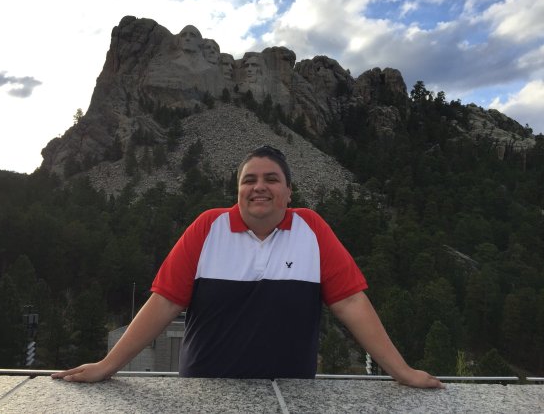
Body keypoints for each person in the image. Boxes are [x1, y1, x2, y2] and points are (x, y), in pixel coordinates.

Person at [52, 146, 443, 388]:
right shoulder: (208, 227)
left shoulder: (312, 229)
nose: (259, 186)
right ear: (238, 190)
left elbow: (351, 303)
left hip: (291, 392)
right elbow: (165, 302)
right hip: (205, 390)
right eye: (249, 179)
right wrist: (108, 366)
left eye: (272, 179)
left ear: (288, 191)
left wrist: (401, 371)